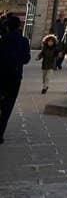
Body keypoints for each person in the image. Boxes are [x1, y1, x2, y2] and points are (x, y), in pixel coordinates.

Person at [0, 14, 31, 142]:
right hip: (15, 76)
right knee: (8, 105)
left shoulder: (2, 40)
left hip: (1, 76)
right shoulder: (24, 41)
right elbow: (26, 59)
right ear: (19, 26)